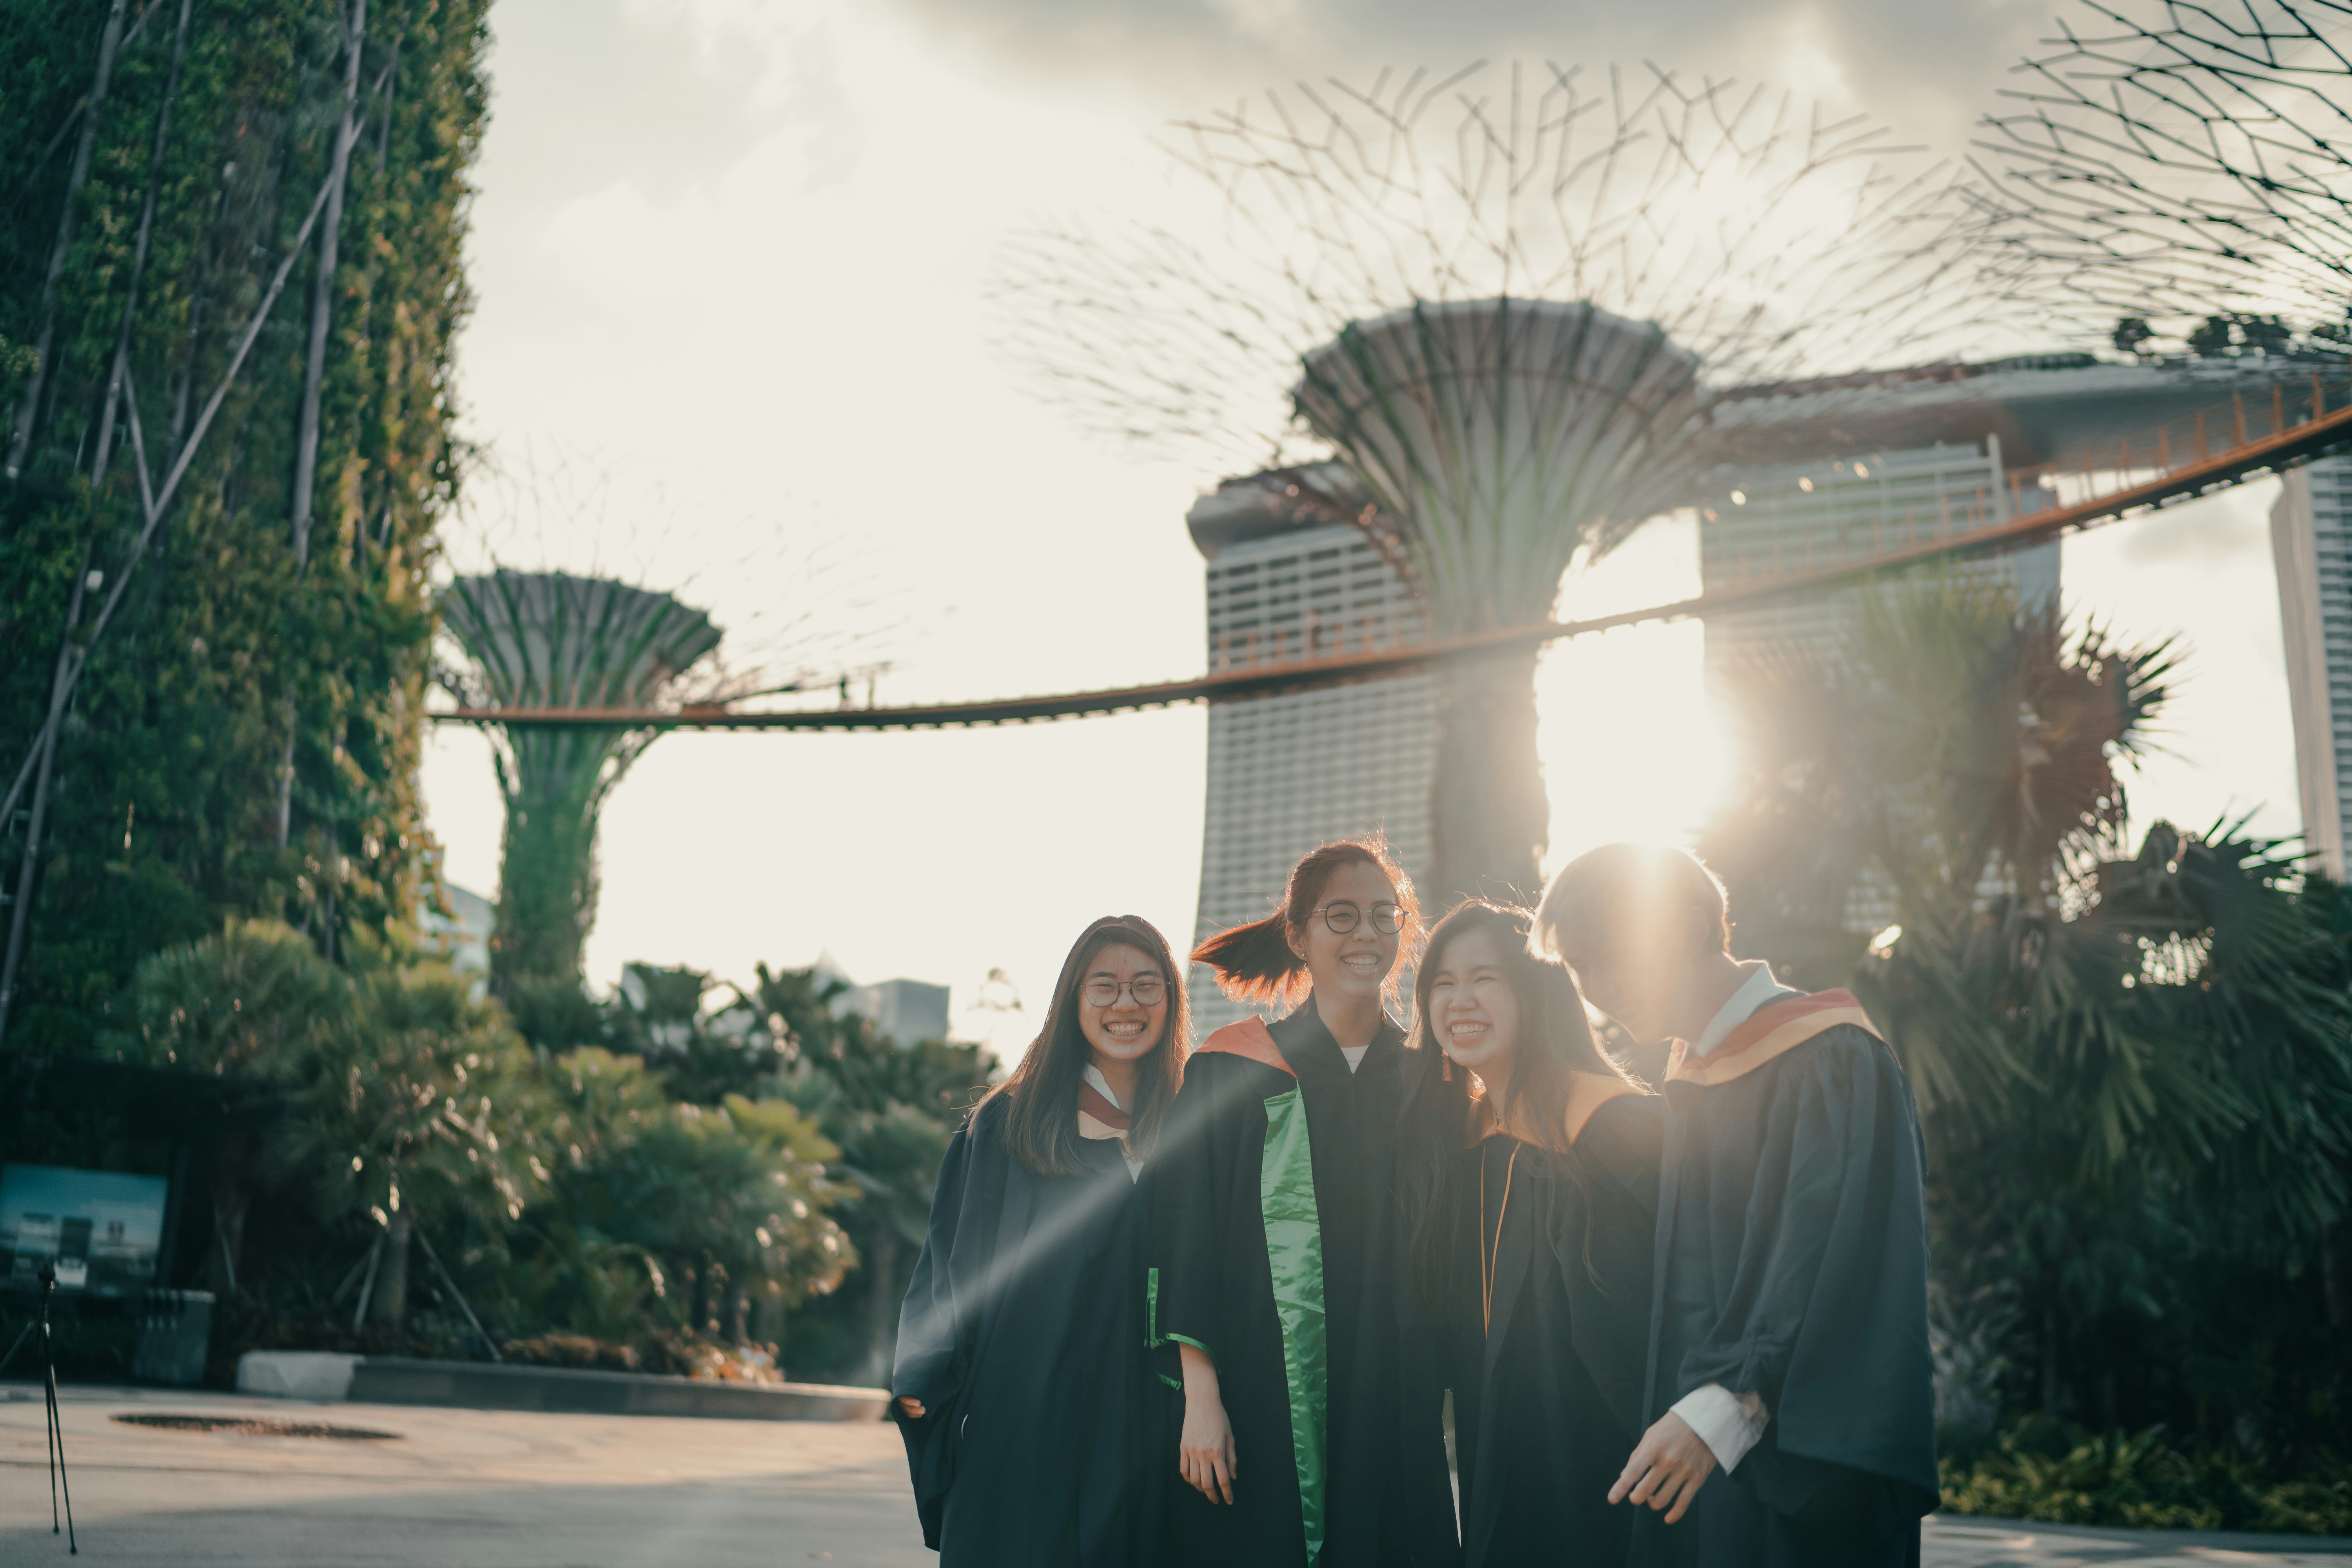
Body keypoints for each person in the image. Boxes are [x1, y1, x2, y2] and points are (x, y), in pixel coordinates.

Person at [1534, 844, 1937, 1568]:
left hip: (1793, 1463)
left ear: (1687, 925)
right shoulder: (1696, 1078)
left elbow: (1824, 1258)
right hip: (1700, 1460)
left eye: (1610, 951)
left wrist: (1724, 1405)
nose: (1595, 985)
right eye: (1577, 964)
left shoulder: (1831, 1057)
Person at [1151, 838, 1451, 1567]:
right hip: (1260, 1392)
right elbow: (1182, 1235)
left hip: (1395, 1393)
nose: (1366, 936)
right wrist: (1201, 1399)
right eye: (1341, 917)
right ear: (1299, 934)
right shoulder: (1231, 1070)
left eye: (1385, 917)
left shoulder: (1432, 1078)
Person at [891, 915, 1191, 1567]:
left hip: (1146, 1414)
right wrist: (927, 1370)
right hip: (1028, 1401)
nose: (1125, 1005)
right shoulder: (1013, 1121)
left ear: (1171, 999)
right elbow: (954, 1257)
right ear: (1073, 1001)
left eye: (1146, 986)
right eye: (1104, 986)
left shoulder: (1196, 1119)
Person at [1394, 899, 1661, 1568]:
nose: (1460, 1000)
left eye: (1485, 978)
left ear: (1536, 990)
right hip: (1497, 1454)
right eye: (1442, 984)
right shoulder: (1461, 1142)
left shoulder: (1613, 1123)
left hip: (1611, 1453)